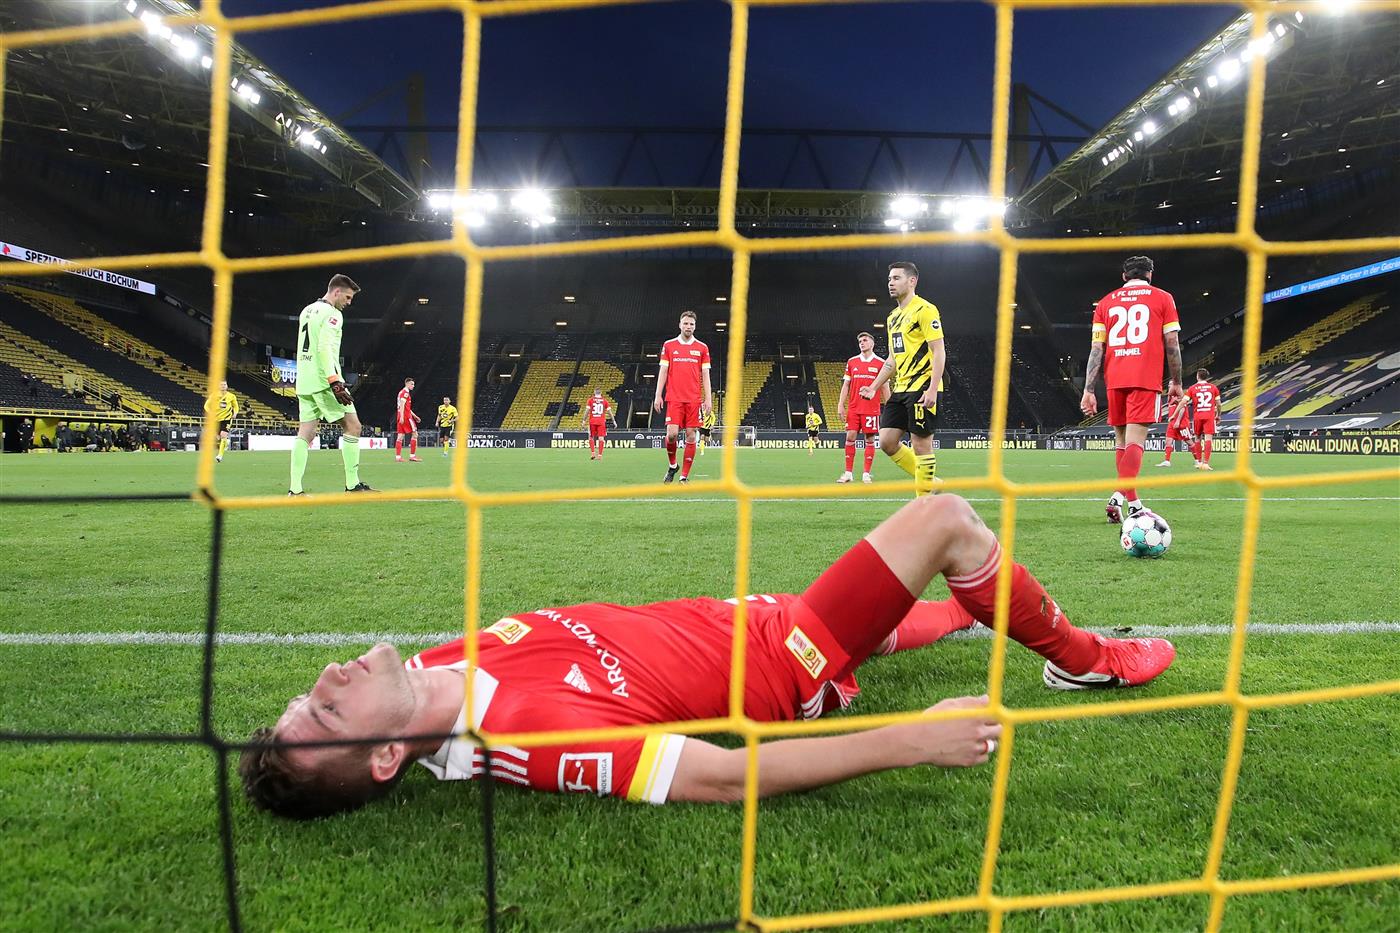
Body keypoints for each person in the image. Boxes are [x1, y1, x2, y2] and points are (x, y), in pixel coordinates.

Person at [238, 494, 1176, 819]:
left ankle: (965, 618)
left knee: (900, 623)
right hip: (785, 660)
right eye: (325, 714)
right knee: (944, 523)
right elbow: (724, 779)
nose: (324, 681)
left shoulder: (435, 668)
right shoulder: (531, 737)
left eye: (304, 696)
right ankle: (1085, 659)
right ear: (386, 755)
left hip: (751, 618)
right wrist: (911, 741)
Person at [1080, 256, 1182, 523]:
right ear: (1150, 275)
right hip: (1144, 377)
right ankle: (1125, 499)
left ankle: (1126, 499)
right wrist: (1177, 382)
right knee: (1136, 441)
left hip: (1114, 378)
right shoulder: (1163, 298)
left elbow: (1096, 349)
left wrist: (1089, 389)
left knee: (1121, 442)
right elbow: (1172, 343)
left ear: (1124, 277)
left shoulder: (1105, 303)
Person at [860, 262, 946, 496]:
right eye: (889, 279)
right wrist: (874, 386)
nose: (890, 283)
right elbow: (891, 359)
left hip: (922, 386)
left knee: (921, 445)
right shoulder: (892, 317)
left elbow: (939, 350)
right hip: (901, 388)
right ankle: (932, 484)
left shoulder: (925, 310)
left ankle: (924, 502)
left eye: (896, 278)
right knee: (887, 441)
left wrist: (932, 388)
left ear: (912, 281)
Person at [290, 274, 374, 496]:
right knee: (353, 427)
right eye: (347, 297)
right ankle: (352, 484)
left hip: (305, 380)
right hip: (324, 380)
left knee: (305, 433)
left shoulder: (307, 310)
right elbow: (324, 348)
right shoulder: (333, 314)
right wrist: (334, 381)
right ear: (336, 292)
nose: (349, 302)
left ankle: (295, 490)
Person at [653, 310, 712, 484]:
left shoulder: (702, 348)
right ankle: (673, 466)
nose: (688, 326)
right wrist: (658, 395)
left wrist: (708, 398)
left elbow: (706, 374)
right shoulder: (669, 345)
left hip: (694, 399)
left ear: (695, 326)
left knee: (691, 436)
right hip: (674, 398)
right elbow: (663, 371)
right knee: (671, 435)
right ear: (680, 325)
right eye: (685, 323)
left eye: (691, 324)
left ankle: (684, 477)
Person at [836, 331, 889, 484]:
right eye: (860, 341)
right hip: (853, 407)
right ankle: (848, 473)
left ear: (872, 343)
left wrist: (891, 407)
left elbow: (885, 387)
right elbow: (846, 384)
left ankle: (866, 473)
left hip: (871, 408)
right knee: (850, 437)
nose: (862, 343)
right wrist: (841, 404)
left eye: (865, 340)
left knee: (870, 439)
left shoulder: (881, 363)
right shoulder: (852, 362)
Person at [1186, 368, 1221, 471]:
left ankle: (1199, 462)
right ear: (1207, 377)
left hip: (1197, 416)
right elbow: (1218, 404)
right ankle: (1206, 463)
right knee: (1208, 439)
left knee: (1197, 438)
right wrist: (1218, 415)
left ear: (1197, 376)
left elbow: (1185, 401)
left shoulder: (1192, 388)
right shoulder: (1213, 387)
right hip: (1209, 416)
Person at [204, 379, 240, 463]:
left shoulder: (232, 396)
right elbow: (206, 405)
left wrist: (235, 413)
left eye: (224, 384)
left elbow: (236, 406)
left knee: (223, 435)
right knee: (217, 437)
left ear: (227, 386)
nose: (223, 386)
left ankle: (220, 455)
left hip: (227, 419)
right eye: (221, 385)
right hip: (216, 419)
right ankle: (225, 442)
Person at [1155, 392, 1194, 468]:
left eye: (1171, 385)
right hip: (1171, 423)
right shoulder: (1170, 397)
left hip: (1181, 423)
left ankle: (1198, 460)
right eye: (1169, 385)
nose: (1169, 386)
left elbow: (1182, 408)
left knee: (1189, 441)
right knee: (1168, 441)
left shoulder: (1179, 396)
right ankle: (1167, 461)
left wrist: (1178, 421)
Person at [582, 388, 615, 461]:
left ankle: (593, 453)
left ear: (594, 392)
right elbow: (610, 412)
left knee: (591, 437)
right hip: (601, 421)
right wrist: (614, 421)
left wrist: (584, 420)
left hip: (592, 421)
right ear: (601, 393)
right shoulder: (605, 401)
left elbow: (587, 411)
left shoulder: (590, 400)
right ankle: (599, 455)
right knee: (601, 438)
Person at [395, 378, 421, 462]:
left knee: (400, 436)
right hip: (406, 416)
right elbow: (402, 405)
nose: (413, 386)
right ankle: (412, 456)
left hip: (401, 415)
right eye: (412, 384)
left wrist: (415, 416)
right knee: (415, 434)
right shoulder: (405, 393)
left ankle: (398, 457)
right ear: (407, 384)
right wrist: (403, 416)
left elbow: (406, 407)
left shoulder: (401, 392)